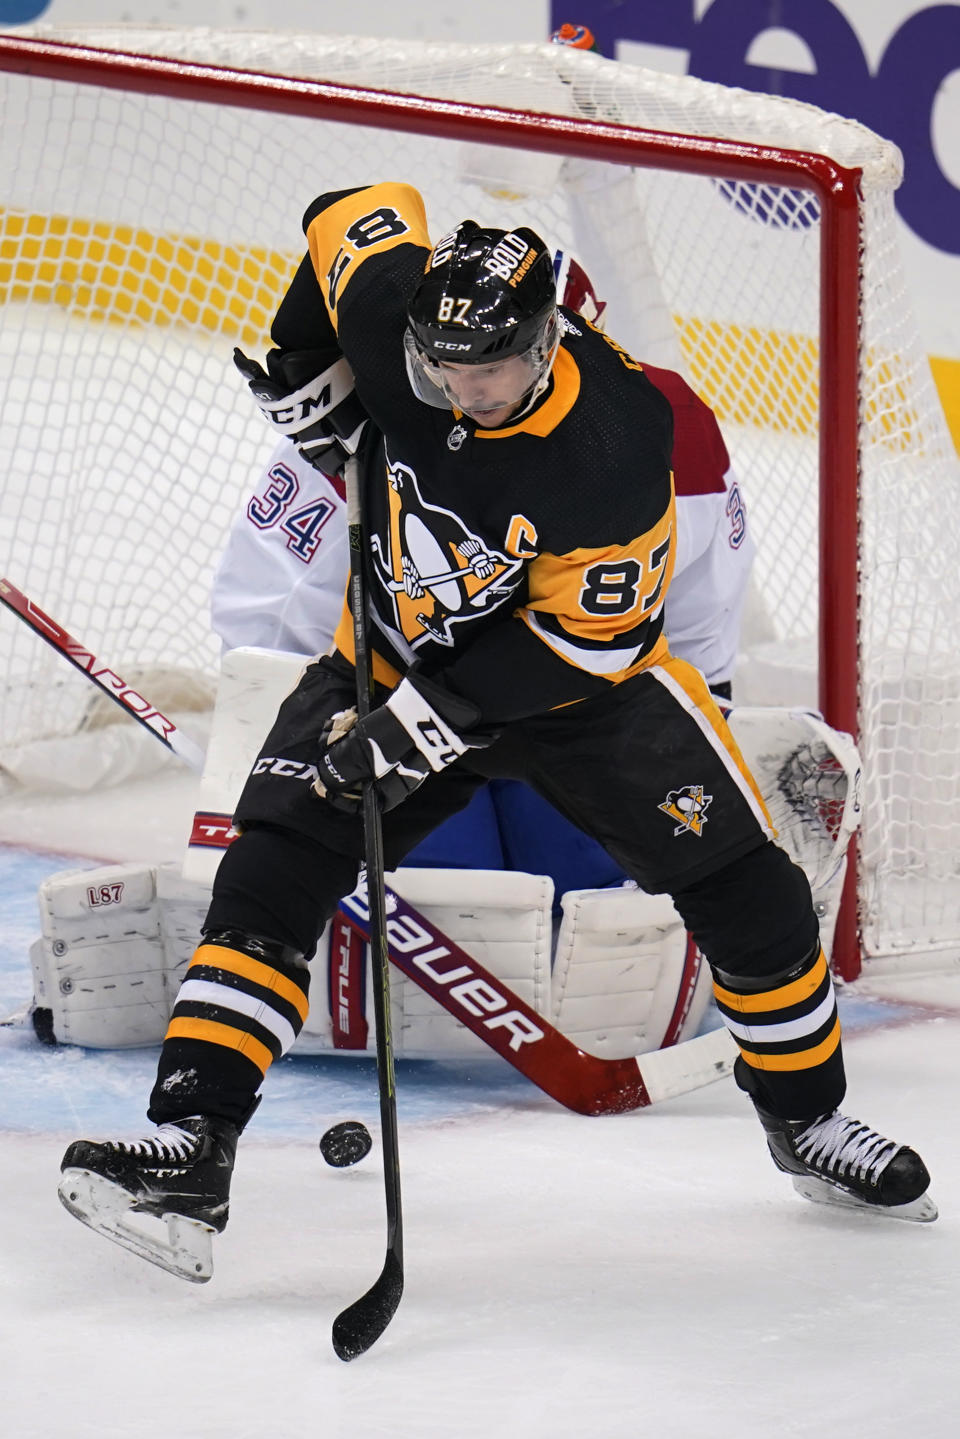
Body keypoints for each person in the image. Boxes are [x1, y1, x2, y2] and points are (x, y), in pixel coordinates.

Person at [58, 183, 934, 1283]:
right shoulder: (400, 318)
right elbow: (345, 210)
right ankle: (190, 1147)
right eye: (441, 368)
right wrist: (309, 374)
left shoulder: (615, 442)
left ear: (547, 340)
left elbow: (588, 646)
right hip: (393, 648)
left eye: (489, 371)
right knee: (271, 868)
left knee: (748, 889)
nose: (462, 389)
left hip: (584, 696)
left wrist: (412, 728)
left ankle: (808, 1122)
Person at [210, 249, 752, 894]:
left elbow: (273, 604)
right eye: (463, 363)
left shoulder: (650, 432)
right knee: (491, 906)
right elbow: (701, 620)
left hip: (515, 714)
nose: (480, 391)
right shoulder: (390, 409)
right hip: (420, 717)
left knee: (541, 910)